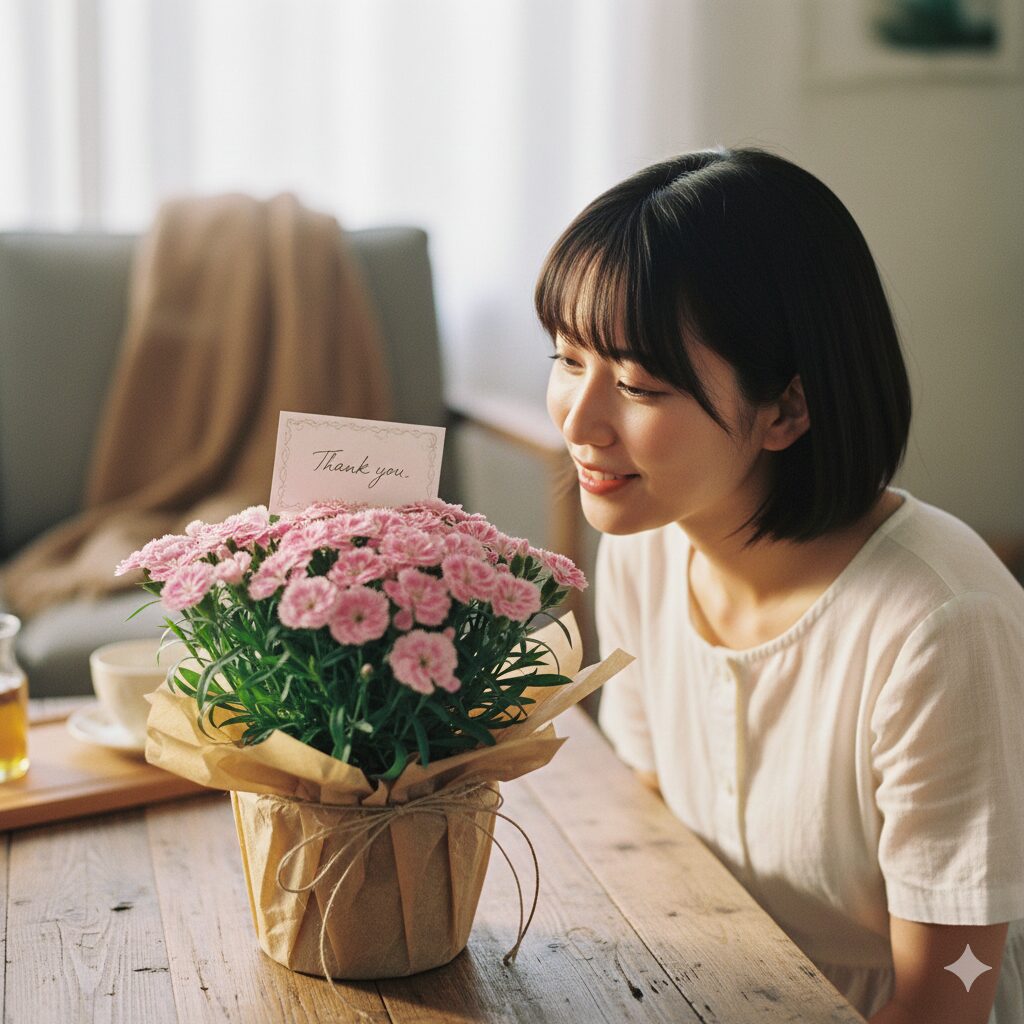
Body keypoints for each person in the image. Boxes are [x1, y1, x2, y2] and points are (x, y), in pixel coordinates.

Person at [535, 146, 1024, 1024]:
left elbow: (948, 999)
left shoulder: (944, 626)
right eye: (568, 359)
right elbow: (654, 835)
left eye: (639, 384)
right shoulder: (650, 541)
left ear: (786, 409)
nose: (579, 419)